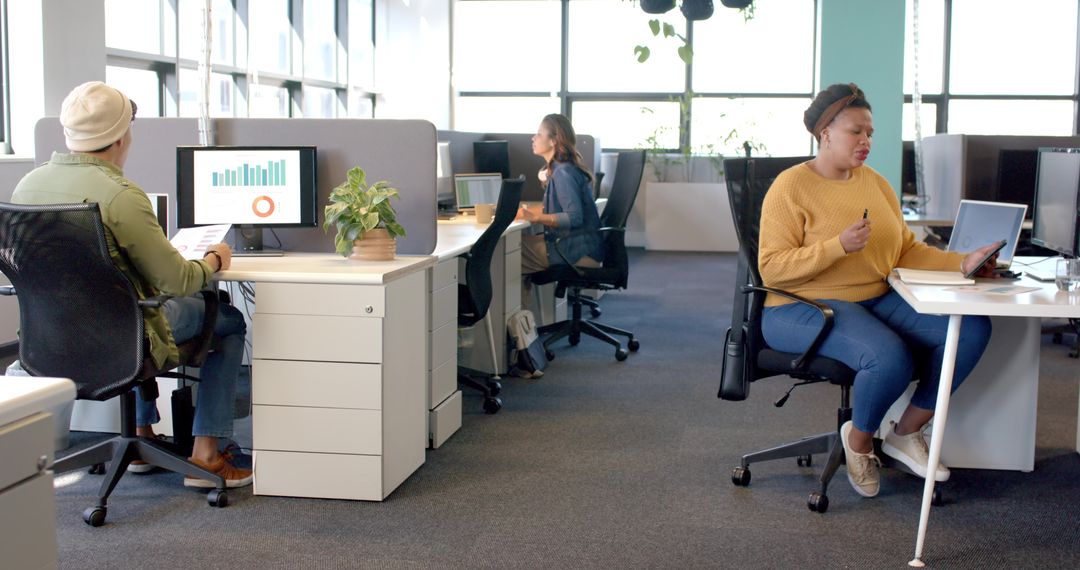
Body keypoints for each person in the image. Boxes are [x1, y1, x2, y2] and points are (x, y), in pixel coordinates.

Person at [758, 83, 997, 498]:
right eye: (855, 132)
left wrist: (961, 262)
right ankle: (860, 442)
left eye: (870, 132)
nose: (866, 141)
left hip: (873, 298)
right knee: (888, 358)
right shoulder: (790, 186)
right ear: (824, 133)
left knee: (972, 329)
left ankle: (906, 432)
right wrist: (836, 247)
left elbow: (905, 249)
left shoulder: (875, 183)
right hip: (799, 306)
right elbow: (772, 270)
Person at [11, 81, 251, 489]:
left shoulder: (27, 186)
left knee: (130, 301)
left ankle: (142, 436)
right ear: (122, 137)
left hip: (51, 338)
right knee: (226, 320)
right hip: (123, 339)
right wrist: (213, 260)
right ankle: (207, 454)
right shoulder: (122, 196)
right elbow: (176, 281)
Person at [519, 114, 605, 302]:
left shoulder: (563, 172)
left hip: (576, 250)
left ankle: (517, 328)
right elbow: (557, 209)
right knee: (515, 245)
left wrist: (535, 218)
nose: (533, 138)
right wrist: (527, 213)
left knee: (506, 254)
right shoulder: (561, 169)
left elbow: (574, 217)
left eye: (539, 134)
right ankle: (522, 325)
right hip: (578, 245)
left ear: (554, 140)